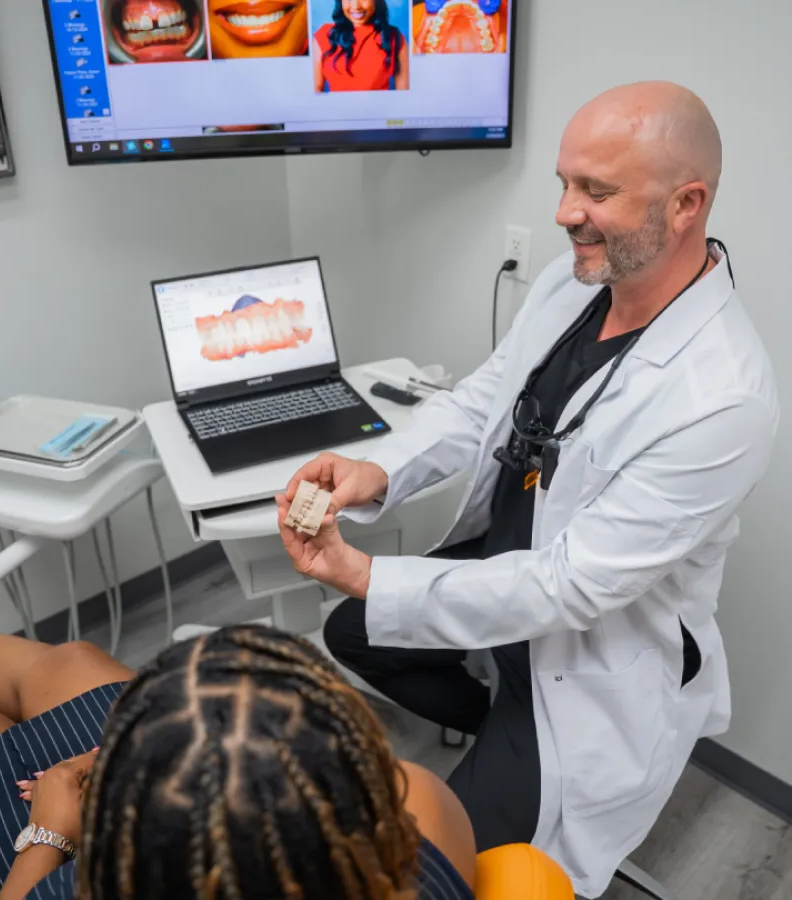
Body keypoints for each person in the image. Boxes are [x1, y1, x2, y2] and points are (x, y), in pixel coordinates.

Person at [276, 81, 779, 898]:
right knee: (355, 633)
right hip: (505, 585)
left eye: (596, 191)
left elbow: (570, 584)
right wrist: (381, 471)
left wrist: (369, 571)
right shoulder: (573, 282)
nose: (564, 212)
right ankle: (493, 712)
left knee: (430, 871)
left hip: (587, 658)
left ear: (687, 205)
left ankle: (517, 738)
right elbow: (486, 398)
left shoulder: (722, 397)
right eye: (563, 183)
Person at [0, 550, 476, 899]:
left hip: (55, 866)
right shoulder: (420, 814)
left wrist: (49, 836)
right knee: (74, 664)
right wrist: (171, 758)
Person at [313, 0, 409, 92]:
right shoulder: (324, 36)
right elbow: (315, 92)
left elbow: (404, 97)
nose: (356, 6)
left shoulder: (394, 38)